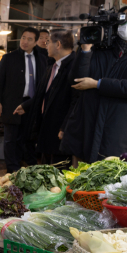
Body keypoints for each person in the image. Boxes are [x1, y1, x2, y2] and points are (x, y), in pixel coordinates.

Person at [61, 2, 127, 162]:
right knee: (79, 181)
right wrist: (85, 50)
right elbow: (76, 80)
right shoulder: (100, 48)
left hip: (120, 131)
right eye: (125, 19)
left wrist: (97, 84)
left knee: (111, 182)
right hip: (86, 126)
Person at [16, 30, 79, 166]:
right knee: (46, 168)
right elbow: (45, 93)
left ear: (58, 45)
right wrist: (26, 106)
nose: (45, 45)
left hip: (60, 131)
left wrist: (65, 128)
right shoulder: (52, 65)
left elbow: (76, 102)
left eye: (48, 42)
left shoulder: (75, 67)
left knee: (59, 171)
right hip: (47, 127)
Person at [0, 27, 48, 173]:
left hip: (32, 106)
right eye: (23, 37)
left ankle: (29, 170)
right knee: (11, 140)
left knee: (29, 139)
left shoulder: (42, 60)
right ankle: (12, 171)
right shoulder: (8, 58)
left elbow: (43, 84)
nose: (25, 42)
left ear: (36, 42)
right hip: (12, 104)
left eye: (30, 39)